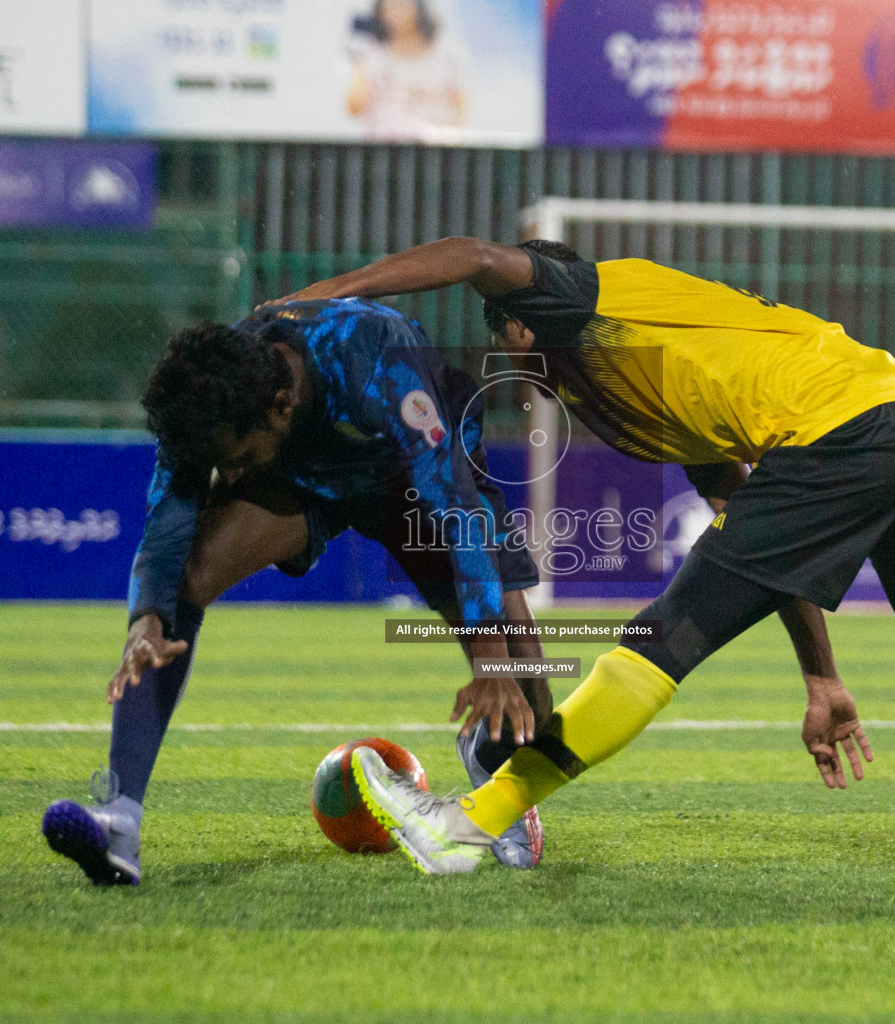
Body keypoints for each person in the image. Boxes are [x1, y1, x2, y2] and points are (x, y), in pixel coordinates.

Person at [276, 237, 895, 875]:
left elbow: (476, 258)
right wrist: (822, 679)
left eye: (504, 338)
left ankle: (468, 826)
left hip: (844, 429)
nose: (508, 365)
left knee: (663, 639)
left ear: (526, 324)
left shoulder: (577, 297)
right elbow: (761, 534)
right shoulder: (658, 392)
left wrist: (326, 296)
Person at [41, 298, 554, 884]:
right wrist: (147, 618)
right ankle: (121, 819)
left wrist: (489, 657)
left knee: (529, 696)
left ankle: (496, 773)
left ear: (281, 405)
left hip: (415, 477)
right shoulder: (212, 393)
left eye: (236, 461)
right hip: (305, 475)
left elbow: (456, 509)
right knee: (185, 581)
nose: (229, 478)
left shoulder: (374, 360)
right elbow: (169, 512)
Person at [347, 0, 466, 141]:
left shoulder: (446, 56)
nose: (396, 12)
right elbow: (354, 108)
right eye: (389, 6)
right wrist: (358, 62)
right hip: (383, 150)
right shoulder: (372, 56)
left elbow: (460, 108)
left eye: (402, 4)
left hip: (434, 150)